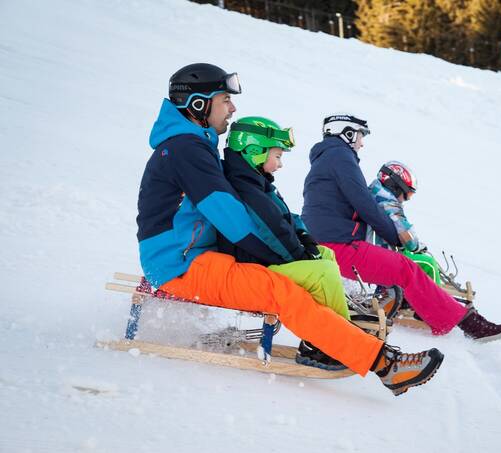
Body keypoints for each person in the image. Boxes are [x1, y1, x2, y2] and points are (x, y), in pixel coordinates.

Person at [135, 63, 443, 395]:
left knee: (292, 282)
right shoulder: (187, 149)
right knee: (283, 291)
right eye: (225, 99)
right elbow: (231, 219)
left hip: (195, 257)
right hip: (178, 266)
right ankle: (385, 364)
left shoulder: (194, 145)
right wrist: (279, 260)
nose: (233, 108)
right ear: (198, 104)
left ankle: (337, 342)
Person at [301, 113, 501, 341]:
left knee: (401, 268)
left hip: (328, 245)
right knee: (406, 268)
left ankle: (440, 312)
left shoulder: (328, 159)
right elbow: (366, 204)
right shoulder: (340, 157)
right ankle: (470, 325)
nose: (362, 143)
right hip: (337, 247)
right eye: (361, 136)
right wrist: (394, 235)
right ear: (348, 133)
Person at [218, 115, 350, 368]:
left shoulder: (257, 181)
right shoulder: (245, 186)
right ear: (254, 151)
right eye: (277, 156)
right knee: (322, 273)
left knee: (326, 256)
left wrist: (305, 239)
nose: (280, 164)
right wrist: (300, 255)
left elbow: (287, 217)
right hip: (251, 264)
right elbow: (272, 230)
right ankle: (331, 343)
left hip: (263, 257)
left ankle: (329, 332)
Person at [367, 161, 443, 285]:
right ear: (395, 186)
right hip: (380, 253)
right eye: (407, 194)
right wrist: (417, 246)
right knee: (429, 264)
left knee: (408, 255)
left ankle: (395, 295)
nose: (407, 199)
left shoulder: (375, 193)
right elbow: (407, 236)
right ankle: (436, 301)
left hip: (376, 248)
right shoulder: (388, 204)